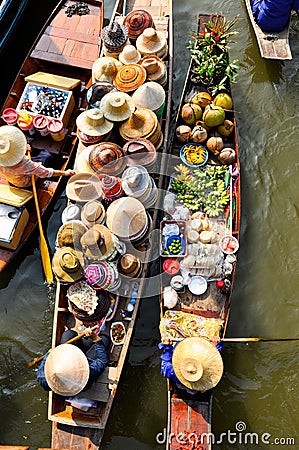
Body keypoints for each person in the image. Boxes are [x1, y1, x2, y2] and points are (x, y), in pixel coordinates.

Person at [37, 327, 110, 395]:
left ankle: (83, 343)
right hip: (86, 367)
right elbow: (103, 360)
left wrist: (49, 354)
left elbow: (45, 361)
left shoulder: (42, 377)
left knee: (68, 334)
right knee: (104, 339)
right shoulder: (88, 375)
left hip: (74, 356)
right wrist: (95, 338)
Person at [0, 125, 75, 188]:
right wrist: (65, 173)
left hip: (12, 176)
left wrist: (23, 149)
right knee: (46, 156)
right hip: (26, 180)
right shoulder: (25, 164)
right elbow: (46, 172)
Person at [158, 336, 224, 394]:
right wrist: (216, 346)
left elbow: (165, 366)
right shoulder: (211, 371)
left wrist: (167, 347)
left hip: (183, 385)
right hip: (200, 387)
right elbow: (217, 367)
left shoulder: (173, 372)